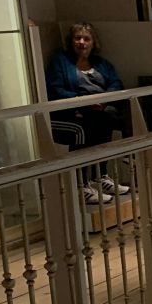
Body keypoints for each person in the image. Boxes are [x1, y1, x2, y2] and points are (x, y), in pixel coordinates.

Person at [46, 22, 131, 204]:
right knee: (93, 123)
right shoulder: (60, 61)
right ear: (71, 41)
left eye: (86, 39)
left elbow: (116, 83)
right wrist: (82, 101)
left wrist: (104, 98)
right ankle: (82, 184)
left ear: (93, 42)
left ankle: (101, 175)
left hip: (100, 107)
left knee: (112, 115)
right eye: (78, 38)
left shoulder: (101, 63)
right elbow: (55, 89)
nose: (82, 42)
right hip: (74, 109)